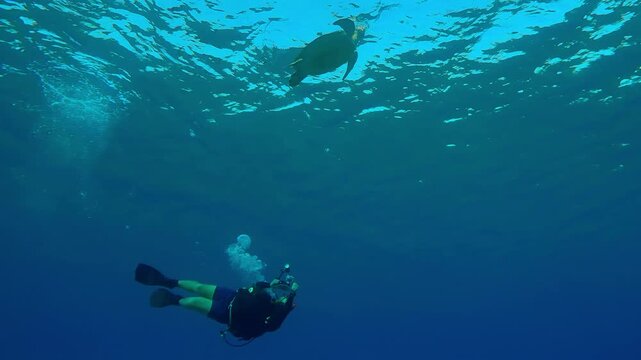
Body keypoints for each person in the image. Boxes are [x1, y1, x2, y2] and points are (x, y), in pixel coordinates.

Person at [134, 263, 298, 343]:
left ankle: (174, 299)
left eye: (284, 295)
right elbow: (257, 287)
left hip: (226, 313)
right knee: (199, 287)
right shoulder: (268, 291)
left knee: (194, 301)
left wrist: (287, 302)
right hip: (231, 296)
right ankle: (169, 282)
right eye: (281, 291)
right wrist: (272, 284)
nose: (279, 294)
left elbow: (275, 320)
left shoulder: (273, 317)